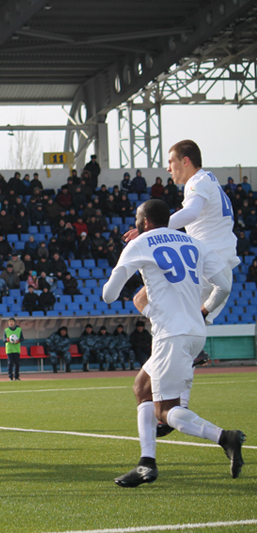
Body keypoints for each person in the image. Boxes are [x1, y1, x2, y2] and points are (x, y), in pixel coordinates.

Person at [102, 199, 243, 487]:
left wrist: (123, 267)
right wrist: (204, 310)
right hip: (194, 331)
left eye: (138, 221)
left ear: (143, 223)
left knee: (164, 411)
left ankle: (224, 437)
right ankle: (146, 463)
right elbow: (225, 284)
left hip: (171, 334)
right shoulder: (193, 243)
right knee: (142, 388)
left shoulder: (141, 242)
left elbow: (109, 295)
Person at [124, 140, 238, 430]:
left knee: (145, 303)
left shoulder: (197, 182)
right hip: (216, 267)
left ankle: (169, 398)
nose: (168, 167)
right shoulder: (210, 180)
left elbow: (190, 213)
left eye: (171, 161)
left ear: (186, 161)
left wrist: (152, 231)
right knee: (163, 314)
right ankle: (180, 405)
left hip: (204, 266)